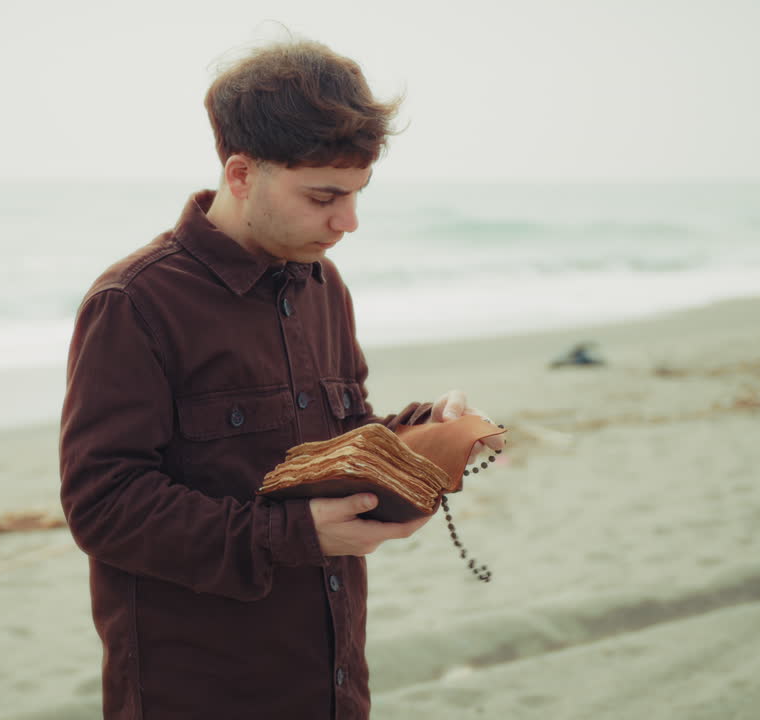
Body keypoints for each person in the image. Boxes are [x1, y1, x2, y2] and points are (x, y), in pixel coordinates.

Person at [59, 38, 499, 719]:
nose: (347, 222)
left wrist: (422, 436)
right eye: (323, 196)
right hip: (200, 693)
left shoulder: (324, 284)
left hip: (330, 685)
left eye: (355, 195)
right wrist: (295, 535)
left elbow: (340, 441)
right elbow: (103, 504)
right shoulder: (134, 302)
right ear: (240, 174)